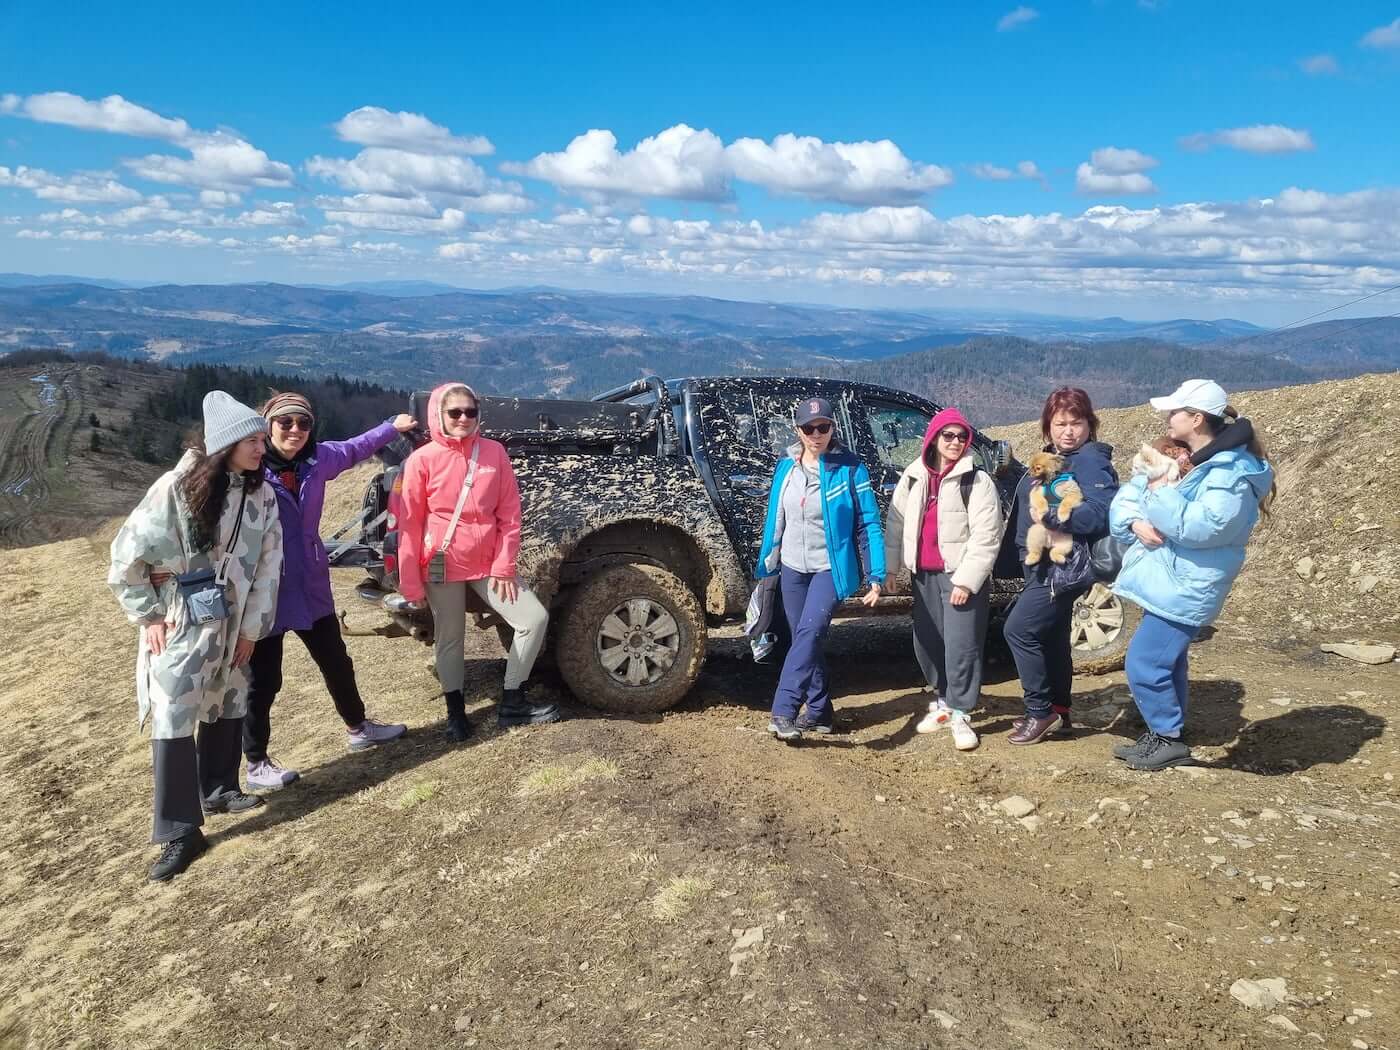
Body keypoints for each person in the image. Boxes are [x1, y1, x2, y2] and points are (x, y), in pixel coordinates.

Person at [109, 392, 283, 882]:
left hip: (233, 623)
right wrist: (149, 618)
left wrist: (252, 629)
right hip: (184, 621)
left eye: (260, 439)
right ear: (224, 444)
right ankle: (179, 829)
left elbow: (269, 563)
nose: (261, 448)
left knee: (229, 698)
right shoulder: (176, 489)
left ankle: (220, 787)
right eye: (251, 440)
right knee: (173, 714)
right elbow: (127, 557)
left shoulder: (260, 493)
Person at [239, 392, 418, 791]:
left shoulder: (318, 460)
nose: (296, 431)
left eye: (303, 423)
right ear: (267, 427)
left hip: (311, 586)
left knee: (337, 662)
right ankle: (256, 763)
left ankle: (359, 728)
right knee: (263, 681)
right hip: (264, 592)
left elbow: (357, 447)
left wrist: (393, 426)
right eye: (285, 423)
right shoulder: (248, 470)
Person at [1109, 379, 1274, 771]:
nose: (1168, 418)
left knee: (1144, 664)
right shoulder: (1184, 458)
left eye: (1175, 411)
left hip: (1189, 584)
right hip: (1168, 579)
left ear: (1197, 418)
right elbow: (1128, 497)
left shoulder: (1230, 472)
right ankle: (1162, 732)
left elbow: (1204, 528)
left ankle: (1168, 739)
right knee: (1169, 662)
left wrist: (1161, 491)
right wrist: (1134, 521)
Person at [397, 382, 561, 739]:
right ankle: (455, 714)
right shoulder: (421, 461)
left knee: (533, 618)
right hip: (441, 564)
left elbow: (510, 514)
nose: (463, 418)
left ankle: (512, 701)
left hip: (489, 564)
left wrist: (504, 564)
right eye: (454, 412)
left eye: (470, 411)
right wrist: (410, 583)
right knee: (450, 638)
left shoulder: (493, 453)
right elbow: (409, 526)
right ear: (438, 415)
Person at [756, 396, 885, 741]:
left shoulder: (851, 468)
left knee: (810, 633)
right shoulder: (786, 468)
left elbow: (868, 523)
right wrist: (768, 560)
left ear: (832, 428)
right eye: (809, 428)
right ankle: (820, 711)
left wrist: (876, 575)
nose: (817, 434)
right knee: (804, 639)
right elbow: (775, 517)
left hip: (830, 567)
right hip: (792, 568)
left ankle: (784, 709)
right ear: (798, 431)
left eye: (823, 427)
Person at [1003, 387, 1119, 744]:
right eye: (1060, 424)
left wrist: (1055, 517)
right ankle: (1062, 709)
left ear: (1090, 424)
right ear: (1048, 426)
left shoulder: (1089, 460)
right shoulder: (1053, 456)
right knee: (1052, 638)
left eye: (1076, 423)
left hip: (1061, 568)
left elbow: (1100, 513)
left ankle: (1040, 712)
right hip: (1041, 563)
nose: (1068, 431)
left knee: (1018, 630)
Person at [885, 408, 1004, 751]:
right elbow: (896, 524)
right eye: (948, 435)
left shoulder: (977, 481)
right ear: (934, 438)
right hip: (923, 573)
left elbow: (987, 535)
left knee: (962, 643)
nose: (955, 442)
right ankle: (944, 699)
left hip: (959, 573)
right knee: (928, 640)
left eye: (962, 436)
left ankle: (962, 710)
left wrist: (967, 581)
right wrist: (892, 569)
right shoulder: (913, 476)